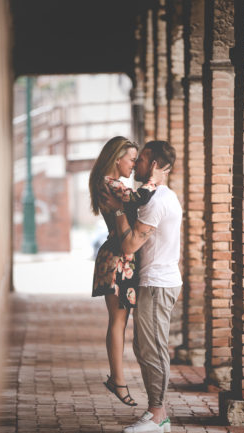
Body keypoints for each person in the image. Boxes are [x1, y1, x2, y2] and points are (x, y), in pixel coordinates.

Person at [100, 140, 182, 433]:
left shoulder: (157, 200)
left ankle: (158, 415)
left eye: (142, 159)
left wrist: (119, 211)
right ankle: (156, 411)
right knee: (144, 346)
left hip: (157, 282)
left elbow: (130, 244)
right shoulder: (159, 196)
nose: (136, 165)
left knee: (153, 348)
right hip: (154, 280)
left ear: (155, 166)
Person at [89, 136, 170, 407]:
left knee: (120, 321)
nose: (134, 165)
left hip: (120, 257)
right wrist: (153, 181)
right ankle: (118, 380)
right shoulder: (110, 184)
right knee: (118, 321)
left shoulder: (112, 184)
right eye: (132, 159)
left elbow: (132, 201)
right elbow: (136, 200)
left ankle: (117, 378)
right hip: (117, 259)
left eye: (138, 159)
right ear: (117, 159)